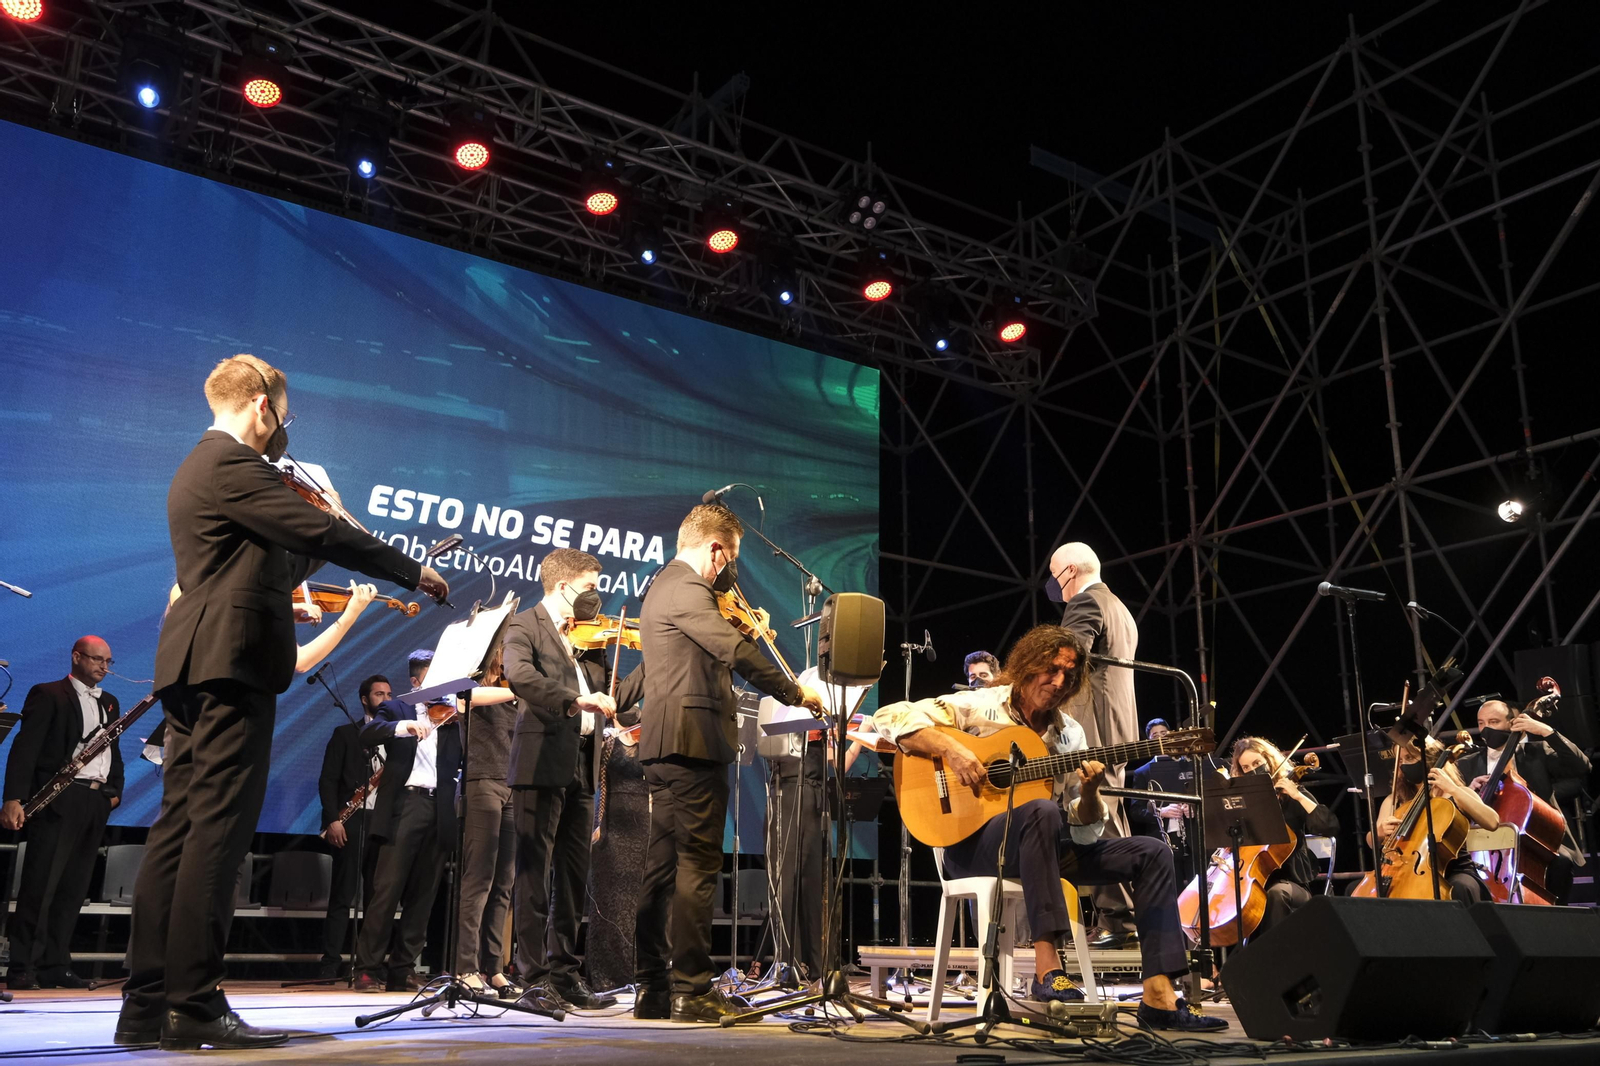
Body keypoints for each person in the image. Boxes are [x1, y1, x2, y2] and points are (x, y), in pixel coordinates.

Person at [116, 354, 445, 1051]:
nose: (281, 434)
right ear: (263, 404)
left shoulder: (203, 468)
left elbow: (283, 557)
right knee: (216, 833)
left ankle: (148, 1004)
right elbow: (320, 532)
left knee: (180, 831)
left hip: (195, 660)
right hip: (229, 664)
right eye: (283, 418)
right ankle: (195, 1002)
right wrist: (407, 567)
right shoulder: (233, 463)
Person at [871, 624, 1226, 1032]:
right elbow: (890, 716)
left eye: (1068, 676)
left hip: (1045, 847)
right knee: (1041, 810)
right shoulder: (979, 705)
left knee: (1151, 852)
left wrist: (1091, 794)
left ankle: (1159, 995)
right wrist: (953, 750)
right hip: (972, 848)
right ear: (1027, 665)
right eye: (1051, 670)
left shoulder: (1069, 735)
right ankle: (1047, 968)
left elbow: (1083, 827)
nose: (1058, 682)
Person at [632, 503, 824, 1024]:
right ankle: (691, 989)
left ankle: (653, 988)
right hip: (692, 741)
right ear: (716, 549)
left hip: (666, 741)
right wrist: (793, 690)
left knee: (665, 867)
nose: (729, 571)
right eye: (730, 557)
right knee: (697, 865)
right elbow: (733, 649)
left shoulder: (661, 587)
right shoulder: (689, 588)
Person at [502, 548, 644, 1010]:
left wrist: (652, 659)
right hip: (540, 762)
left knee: (571, 877)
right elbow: (519, 676)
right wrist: (574, 700)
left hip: (583, 765)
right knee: (532, 874)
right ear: (563, 586)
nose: (595, 597)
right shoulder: (524, 624)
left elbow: (615, 699)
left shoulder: (592, 641)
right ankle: (532, 979)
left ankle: (565, 975)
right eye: (589, 588)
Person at [143, 580, 383, 768]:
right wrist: (281, 610)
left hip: (238, 720)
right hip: (204, 714)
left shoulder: (258, 602)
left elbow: (300, 661)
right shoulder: (188, 586)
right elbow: (222, 614)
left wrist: (282, 613)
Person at [1, 637, 124, 990]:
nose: (104, 666)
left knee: (73, 887)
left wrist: (113, 794)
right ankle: (22, 965)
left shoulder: (111, 703)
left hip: (94, 802)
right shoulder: (48, 693)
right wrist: (13, 799)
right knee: (42, 885)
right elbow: (26, 749)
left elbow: (112, 753)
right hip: (58, 798)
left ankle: (55, 963)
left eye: (108, 661)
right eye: (97, 659)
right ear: (76, 657)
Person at [1047, 541, 1139, 949]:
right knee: (1107, 814)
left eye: (1055, 577)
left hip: (1095, 728)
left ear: (1069, 573)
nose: (1057, 587)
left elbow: (1067, 661)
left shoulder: (1085, 603)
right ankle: (1122, 920)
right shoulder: (1121, 608)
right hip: (1118, 725)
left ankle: (1121, 921)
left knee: (1094, 818)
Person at [765, 666, 868, 982]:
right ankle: (788, 963)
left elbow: (839, 762)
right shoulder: (782, 716)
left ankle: (820, 964)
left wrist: (859, 739)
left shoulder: (821, 730)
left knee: (815, 881)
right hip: (787, 793)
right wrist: (806, 730)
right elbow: (772, 749)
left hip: (817, 796)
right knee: (787, 879)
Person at [1459, 688, 1589, 900]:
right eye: (1481, 723)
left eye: (1493, 722)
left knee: (1561, 862)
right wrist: (1467, 791)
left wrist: (1546, 731)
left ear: (1512, 724)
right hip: (1483, 842)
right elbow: (1450, 806)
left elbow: (1581, 767)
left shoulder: (1536, 753)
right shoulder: (1466, 764)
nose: (1485, 729)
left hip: (1536, 837)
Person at [315, 673, 389, 979]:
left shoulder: (396, 737)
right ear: (364, 699)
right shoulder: (346, 734)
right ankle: (330, 964)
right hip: (350, 821)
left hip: (382, 822)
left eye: (389, 694)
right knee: (342, 897)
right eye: (379, 694)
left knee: (377, 898)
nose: (386, 699)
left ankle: (368, 967)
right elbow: (328, 780)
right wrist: (333, 819)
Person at [1365, 734, 1499, 903]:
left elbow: (1492, 821)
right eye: (1400, 761)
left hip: (1453, 871)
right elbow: (1371, 841)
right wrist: (1380, 831)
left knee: (1460, 888)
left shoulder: (1456, 794)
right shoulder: (1395, 799)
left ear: (1428, 760)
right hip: (1405, 871)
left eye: (1409, 758)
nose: (1403, 765)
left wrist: (1453, 789)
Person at [1229, 738, 1340, 937]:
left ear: (1269, 761)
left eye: (1257, 764)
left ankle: (1274, 958)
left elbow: (1329, 826)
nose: (1252, 770)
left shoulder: (1291, 793)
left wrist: (1297, 795)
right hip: (1256, 881)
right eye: (1245, 767)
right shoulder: (1246, 803)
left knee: (1276, 894)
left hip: (1294, 883)